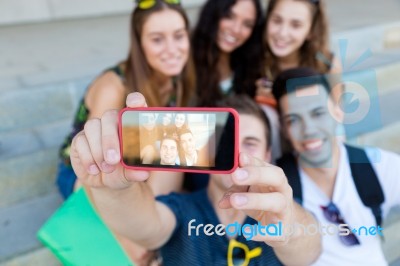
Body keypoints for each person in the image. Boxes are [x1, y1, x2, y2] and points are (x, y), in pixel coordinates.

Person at [69, 92, 322, 265]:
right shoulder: (181, 209)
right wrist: (114, 189)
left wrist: (289, 231)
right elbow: (147, 227)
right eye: (226, 140)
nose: (237, 152)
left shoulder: (281, 207)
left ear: (268, 153)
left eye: (251, 143)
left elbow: (310, 249)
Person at [56, 0, 195, 200]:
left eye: (179, 36)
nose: (172, 49)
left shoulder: (178, 78)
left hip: (139, 162)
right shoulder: (113, 86)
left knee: (176, 144)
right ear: (140, 44)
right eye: (157, 39)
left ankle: (158, 214)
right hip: (85, 174)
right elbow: (95, 167)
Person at [271, 67, 400, 265]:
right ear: (284, 129)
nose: (309, 130)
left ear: (338, 112)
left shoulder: (376, 166)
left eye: (318, 113)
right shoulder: (279, 185)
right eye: (293, 120)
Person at [256, 0, 343, 161]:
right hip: (271, 153)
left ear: (311, 30)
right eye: (277, 21)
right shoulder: (253, 63)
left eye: (295, 25)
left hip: (314, 147)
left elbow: (336, 122)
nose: (282, 33)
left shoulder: (327, 64)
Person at [192, 0, 265, 107]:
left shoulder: (251, 67)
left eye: (247, 24)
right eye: (229, 16)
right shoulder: (185, 62)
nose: (236, 29)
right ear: (213, 14)